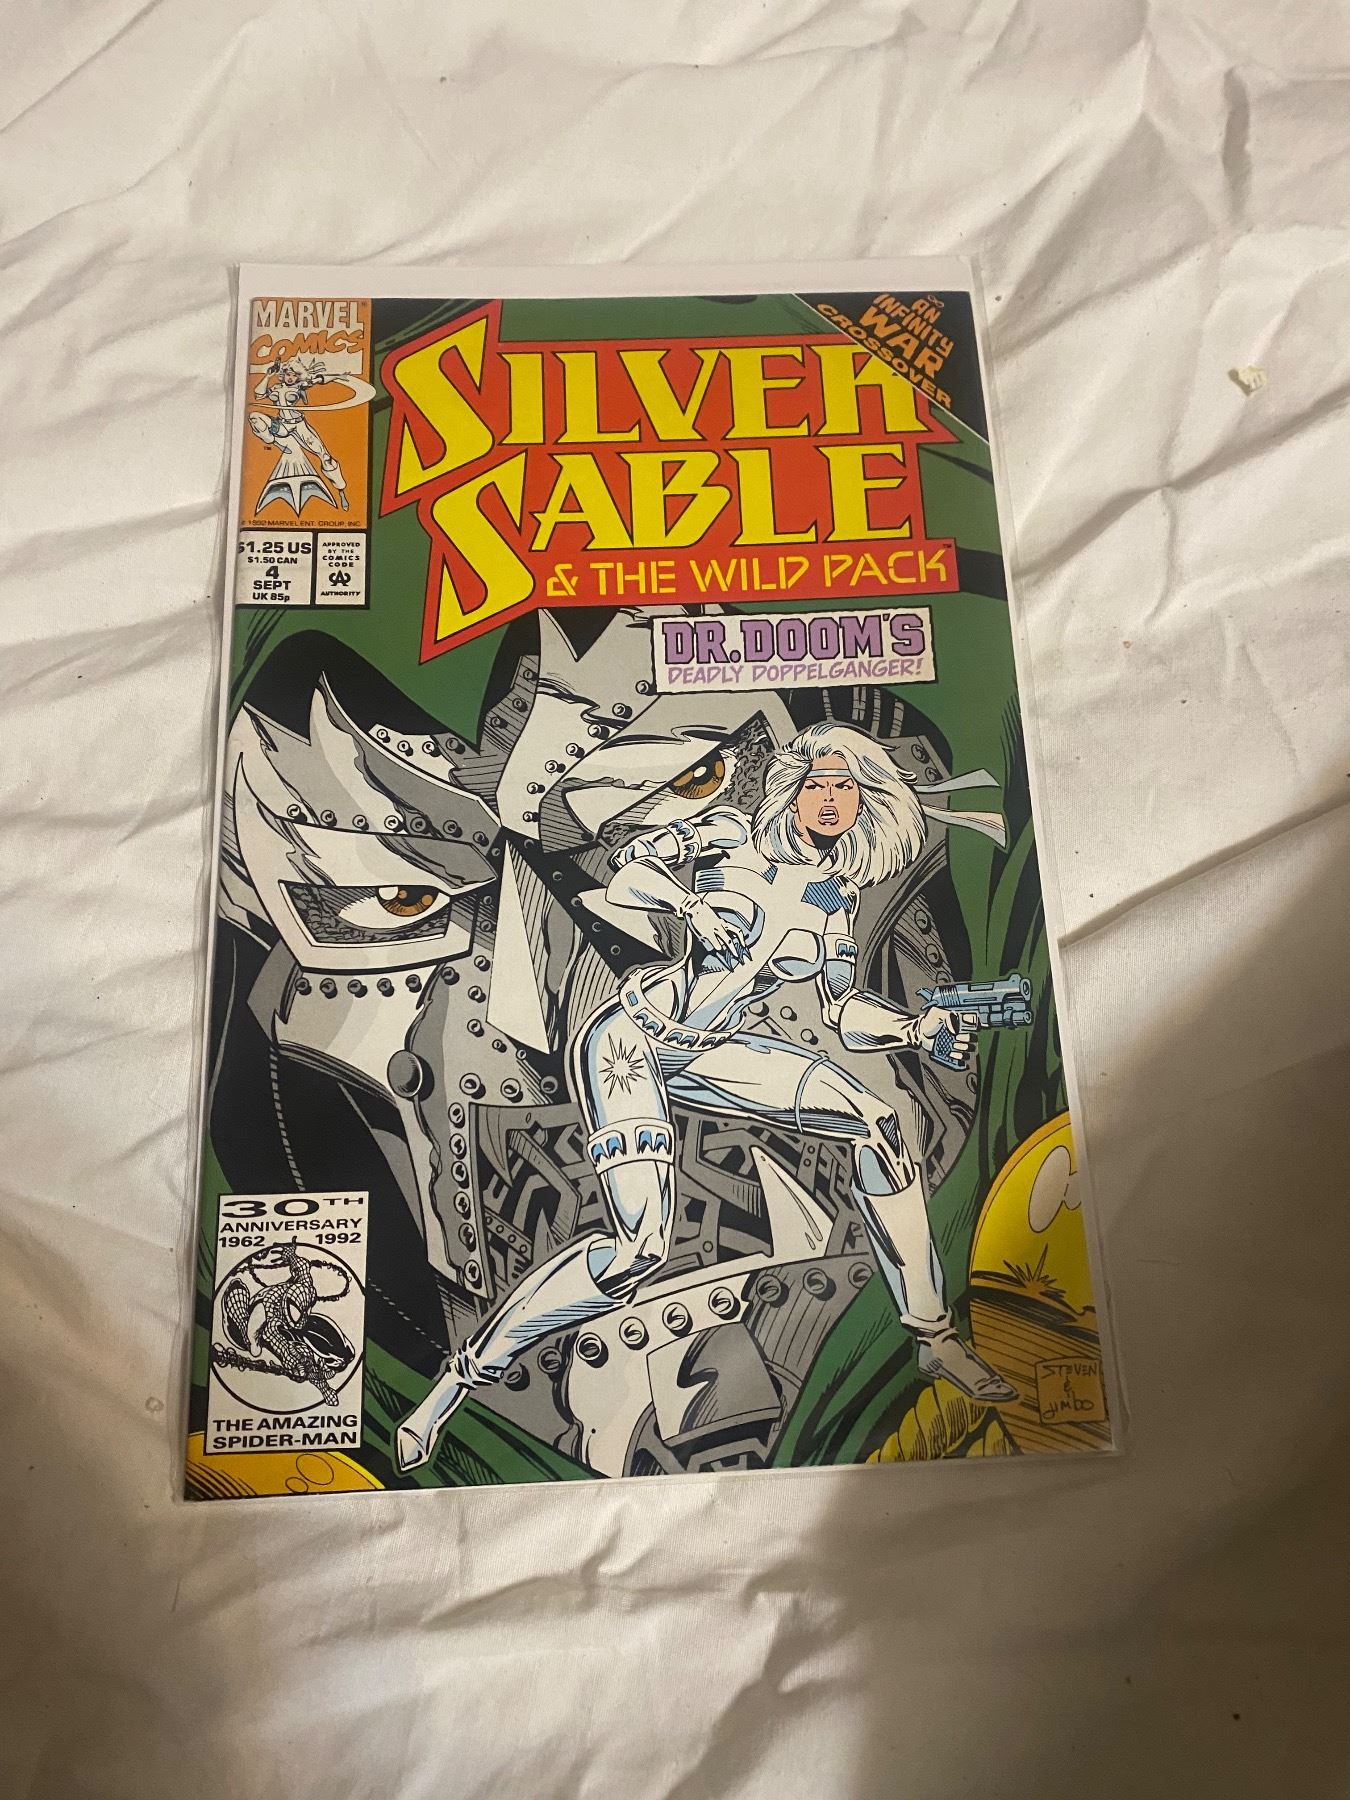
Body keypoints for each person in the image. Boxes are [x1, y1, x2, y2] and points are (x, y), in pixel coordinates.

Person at [396, 721, 1014, 1472]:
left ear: (867, 801)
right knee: (637, 1251)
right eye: (818, 783)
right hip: (632, 1038)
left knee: (877, 1125)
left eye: (846, 787)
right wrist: (692, 908)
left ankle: (934, 1335)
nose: (829, 799)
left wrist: (915, 1029)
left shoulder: (833, 901)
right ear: (792, 786)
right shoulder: (729, 837)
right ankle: (455, 1385)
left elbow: (844, 1013)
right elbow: (626, 876)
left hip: (714, 1051)